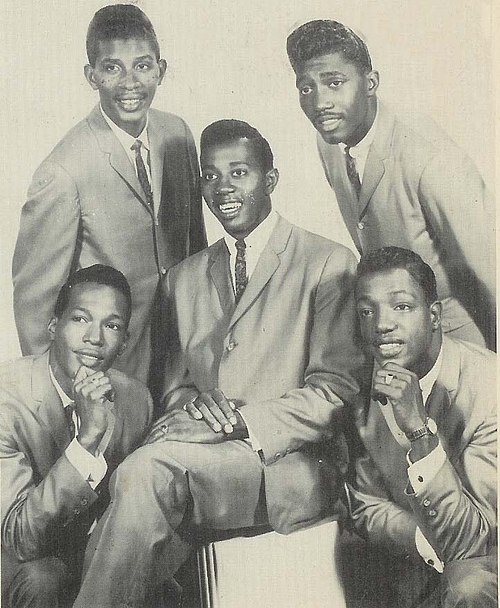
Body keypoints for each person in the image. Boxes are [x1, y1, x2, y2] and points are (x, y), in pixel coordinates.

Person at [72, 119, 365, 607]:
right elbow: (175, 389)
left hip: (290, 466)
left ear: (270, 179)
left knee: (143, 473)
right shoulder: (182, 279)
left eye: (239, 172)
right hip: (201, 462)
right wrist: (197, 404)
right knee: (135, 491)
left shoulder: (328, 263)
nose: (222, 188)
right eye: (210, 175)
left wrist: (241, 423)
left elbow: (334, 393)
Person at [12, 4, 206, 392]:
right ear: (92, 76)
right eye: (112, 67)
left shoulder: (178, 135)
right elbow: (35, 306)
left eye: (143, 66)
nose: (129, 82)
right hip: (110, 367)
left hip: (183, 357)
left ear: (161, 70)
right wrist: (61, 397)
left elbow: (195, 249)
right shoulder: (65, 170)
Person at [286, 20, 495, 350]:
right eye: (306, 88)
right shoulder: (328, 140)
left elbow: (492, 271)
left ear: (371, 83)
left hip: (461, 342)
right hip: (392, 339)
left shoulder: (429, 157)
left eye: (334, 83)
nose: (319, 103)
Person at [341, 246, 496, 608]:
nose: (382, 324)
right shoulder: (363, 395)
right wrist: (423, 540)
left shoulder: (490, 387)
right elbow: (365, 507)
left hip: (486, 562)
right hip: (421, 563)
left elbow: (473, 542)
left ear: (435, 315)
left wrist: (419, 434)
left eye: (401, 307)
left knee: (468, 587)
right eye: (367, 311)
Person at [1, 265, 153, 608]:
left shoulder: (135, 400)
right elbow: (19, 538)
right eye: (81, 319)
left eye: (111, 326)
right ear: (54, 326)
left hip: (89, 562)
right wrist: (86, 440)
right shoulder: (5, 398)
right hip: (17, 565)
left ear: (125, 340)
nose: (95, 338)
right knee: (46, 580)